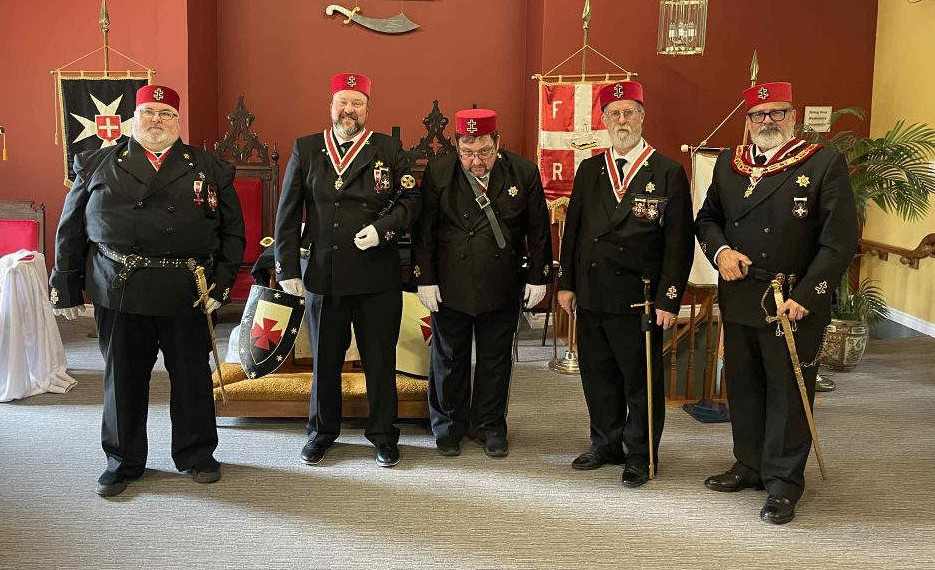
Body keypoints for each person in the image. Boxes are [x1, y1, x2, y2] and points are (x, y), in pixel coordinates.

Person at [50, 84, 245, 497]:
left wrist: (223, 284)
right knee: (123, 378)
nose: (157, 120)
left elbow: (233, 234)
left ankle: (196, 454)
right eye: (149, 112)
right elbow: (70, 230)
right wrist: (65, 285)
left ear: (178, 121)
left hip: (187, 288)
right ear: (133, 119)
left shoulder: (210, 167)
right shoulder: (97, 163)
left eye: (167, 114)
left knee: (192, 376)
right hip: (121, 287)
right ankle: (122, 461)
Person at [696, 80, 856, 525]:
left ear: (794, 116)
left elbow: (840, 241)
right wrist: (720, 252)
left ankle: (784, 482)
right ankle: (749, 465)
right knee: (744, 386)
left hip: (793, 298)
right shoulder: (730, 164)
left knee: (788, 391)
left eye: (777, 113)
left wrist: (807, 295)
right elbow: (707, 219)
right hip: (743, 293)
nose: (768, 122)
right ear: (747, 122)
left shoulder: (823, 163)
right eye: (758, 115)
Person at [274, 73, 420, 468]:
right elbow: (287, 214)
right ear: (331, 106)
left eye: (357, 103)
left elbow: (411, 200)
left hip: (377, 275)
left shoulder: (388, 148)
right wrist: (287, 267)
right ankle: (321, 432)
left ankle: (384, 435)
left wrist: (381, 230)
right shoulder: (306, 149)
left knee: (379, 360)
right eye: (342, 102)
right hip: (324, 274)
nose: (349, 109)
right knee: (325, 362)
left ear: (367, 110)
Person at [557, 81, 694, 488]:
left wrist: (671, 299)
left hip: (641, 299)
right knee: (597, 378)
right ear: (603, 120)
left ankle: (641, 453)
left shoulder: (667, 171)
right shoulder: (590, 169)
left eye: (629, 112)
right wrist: (566, 283)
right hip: (593, 292)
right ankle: (605, 444)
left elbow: (678, 242)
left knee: (640, 381)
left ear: (642, 116)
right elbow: (574, 232)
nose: (622, 120)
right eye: (614, 113)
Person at [412, 108, 552, 458]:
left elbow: (538, 228)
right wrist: (424, 278)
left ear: (497, 143)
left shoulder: (523, 171)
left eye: (484, 151)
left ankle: (490, 425)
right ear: (457, 145)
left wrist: (539, 275)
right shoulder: (439, 171)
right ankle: (448, 426)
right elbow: (424, 230)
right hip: (449, 283)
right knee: (449, 358)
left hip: (501, 280)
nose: (476, 161)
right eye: (468, 152)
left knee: (494, 359)